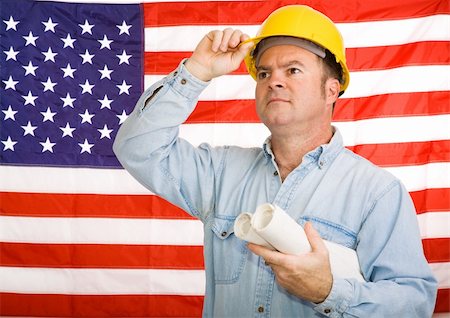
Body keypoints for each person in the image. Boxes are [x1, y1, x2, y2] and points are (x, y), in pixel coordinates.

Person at [113, 4, 437, 317]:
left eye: (293, 70)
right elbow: (138, 148)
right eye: (264, 73)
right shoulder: (220, 173)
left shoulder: (377, 193)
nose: (274, 81)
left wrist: (328, 291)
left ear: (331, 91)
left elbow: (414, 303)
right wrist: (196, 72)